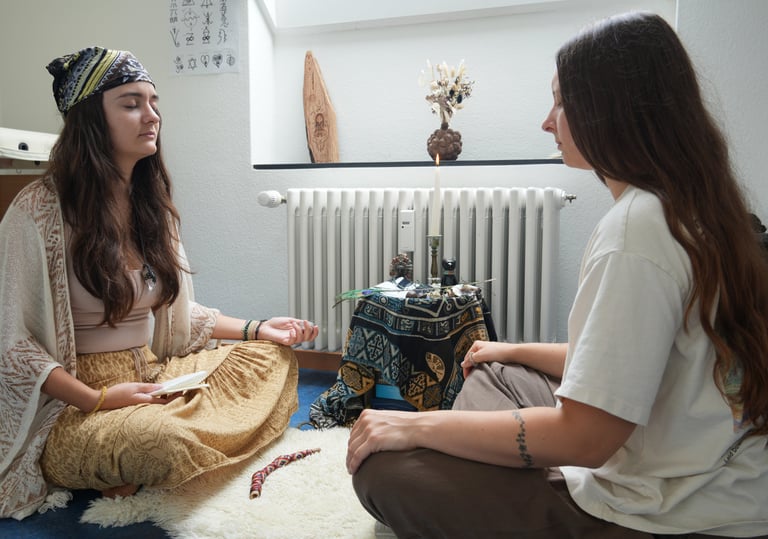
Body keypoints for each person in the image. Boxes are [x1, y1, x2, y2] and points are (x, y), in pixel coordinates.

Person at [347, 12, 768, 538]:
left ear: (610, 110)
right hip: (716, 471)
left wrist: (417, 425)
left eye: (561, 103)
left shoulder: (639, 229)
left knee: (385, 469)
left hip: (670, 512)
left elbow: (588, 438)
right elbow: (625, 361)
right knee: (498, 372)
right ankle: (504, 459)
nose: (548, 122)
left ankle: (518, 478)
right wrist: (510, 349)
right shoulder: (693, 204)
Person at [0, 46, 318, 520]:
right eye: (131, 104)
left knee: (271, 359)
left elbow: (178, 318)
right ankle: (139, 452)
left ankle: (136, 457)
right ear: (90, 119)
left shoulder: (151, 206)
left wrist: (259, 328)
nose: (152, 116)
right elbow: (12, 344)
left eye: (153, 102)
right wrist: (97, 399)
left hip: (154, 378)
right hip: (76, 406)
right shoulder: (37, 210)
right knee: (163, 440)